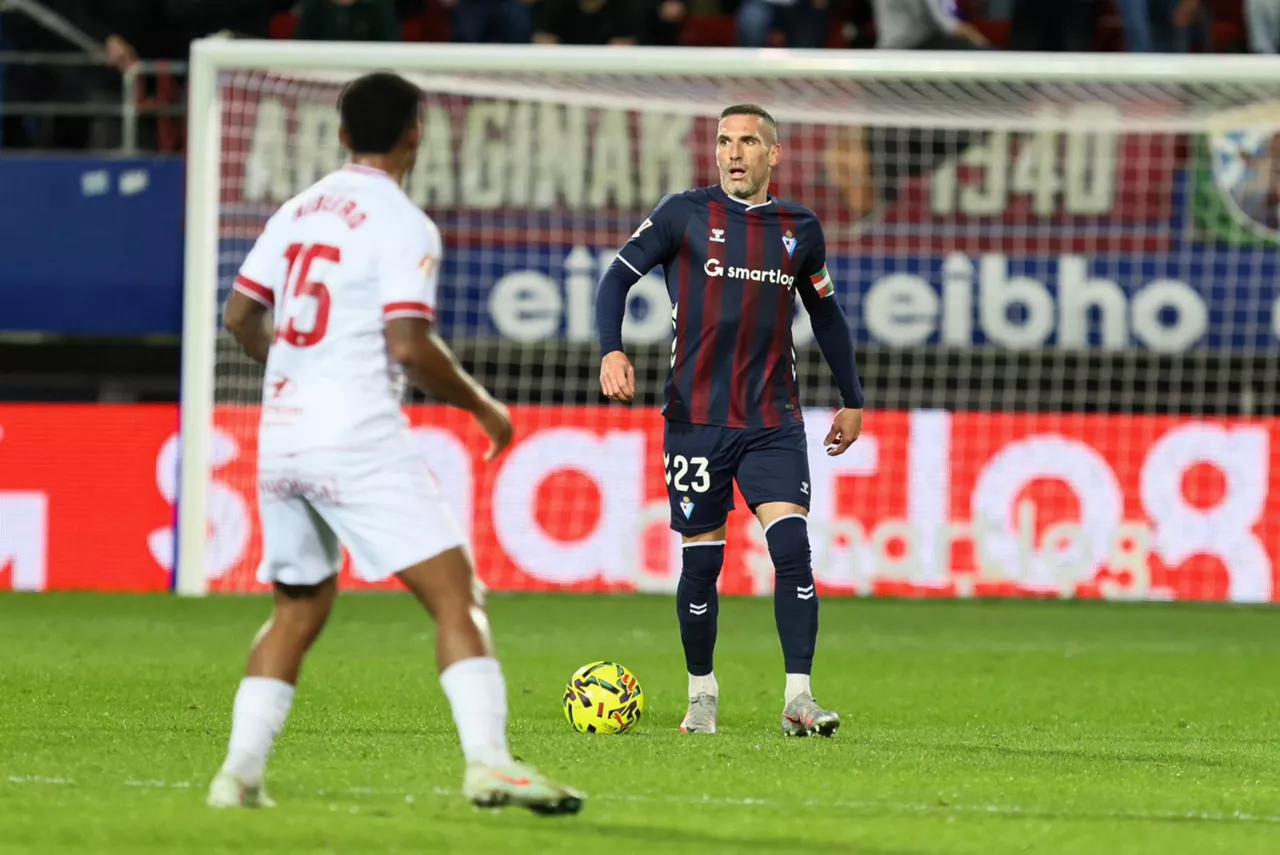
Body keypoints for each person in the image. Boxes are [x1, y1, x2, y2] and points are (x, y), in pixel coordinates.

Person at [211, 71, 583, 815]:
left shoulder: (297, 210)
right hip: (354, 436)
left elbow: (240, 318)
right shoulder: (402, 221)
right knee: (456, 596)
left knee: (298, 609)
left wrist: (298, 368)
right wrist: (484, 407)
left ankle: (237, 775)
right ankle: (488, 762)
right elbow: (410, 346)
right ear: (416, 131)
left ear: (343, 133)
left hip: (280, 437)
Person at [594, 104, 866, 737]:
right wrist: (611, 348)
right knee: (702, 564)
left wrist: (852, 398)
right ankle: (701, 692)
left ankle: (799, 696)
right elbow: (615, 280)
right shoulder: (681, 214)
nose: (733, 152)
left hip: (773, 418)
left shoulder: (800, 228)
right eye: (724, 141)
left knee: (792, 548)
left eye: (748, 141)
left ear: (774, 154)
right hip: (696, 419)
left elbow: (826, 315)